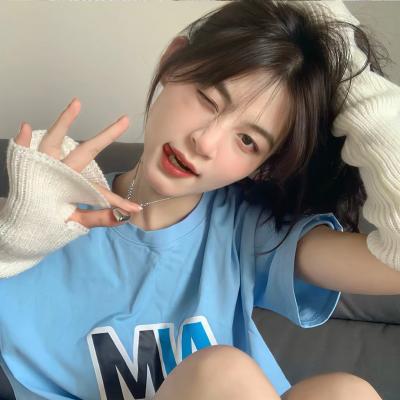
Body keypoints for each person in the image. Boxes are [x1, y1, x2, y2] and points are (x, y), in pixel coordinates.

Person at [0, 0, 399, 398]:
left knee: (347, 393)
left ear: (263, 167)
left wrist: (350, 70)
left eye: (247, 141)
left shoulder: (247, 232)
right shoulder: (45, 219)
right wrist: (10, 245)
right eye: (209, 100)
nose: (205, 142)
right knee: (221, 373)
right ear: (172, 63)